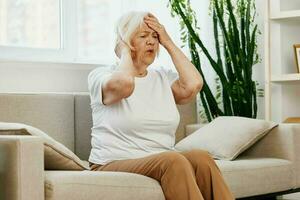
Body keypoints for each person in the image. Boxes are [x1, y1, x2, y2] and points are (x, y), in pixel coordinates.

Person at [88, 11, 234, 200]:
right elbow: (125, 84)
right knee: (172, 160)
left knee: (202, 159)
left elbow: (193, 85)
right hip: (112, 162)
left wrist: (168, 41)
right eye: (143, 36)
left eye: (154, 36)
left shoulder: (162, 77)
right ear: (125, 42)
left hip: (160, 158)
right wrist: (124, 51)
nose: (151, 42)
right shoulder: (102, 76)